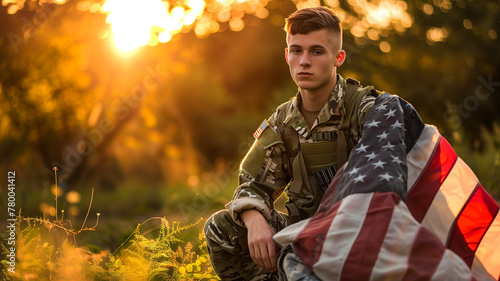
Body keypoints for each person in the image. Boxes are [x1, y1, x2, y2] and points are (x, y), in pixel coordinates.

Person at [204, 6, 380, 281]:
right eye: (296, 50)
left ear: (338, 58)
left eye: (317, 51)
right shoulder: (283, 121)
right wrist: (254, 220)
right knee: (221, 226)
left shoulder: (363, 109)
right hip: (304, 238)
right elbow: (252, 185)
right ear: (286, 55)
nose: (304, 61)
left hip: (361, 242)